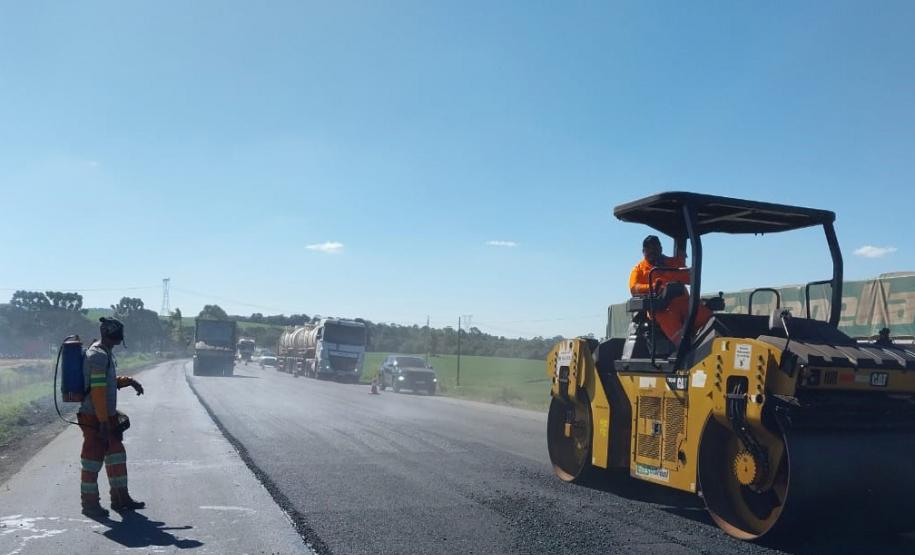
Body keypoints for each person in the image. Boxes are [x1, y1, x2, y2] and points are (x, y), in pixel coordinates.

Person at [77, 317, 146, 518]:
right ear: (114, 335)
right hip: (94, 419)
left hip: (105, 416)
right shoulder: (97, 355)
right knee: (92, 461)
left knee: (116, 456)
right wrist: (104, 423)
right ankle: (89, 504)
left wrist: (128, 381)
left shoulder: (104, 353)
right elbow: (97, 391)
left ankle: (120, 499)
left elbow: (105, 382)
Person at [629, 235, 712, 345]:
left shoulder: (674, 263)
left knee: (704, 315)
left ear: (661, 249)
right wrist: (652, 287)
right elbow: (634, 288)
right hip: (660, 308)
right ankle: (684, 348)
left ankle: (710, 341)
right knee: (668, 317)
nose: (653, 252)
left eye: (655, 248)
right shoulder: (639, 270)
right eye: (649, 249)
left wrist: (674, 273)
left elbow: (690, 278)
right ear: (643, 251)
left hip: (683, 303)